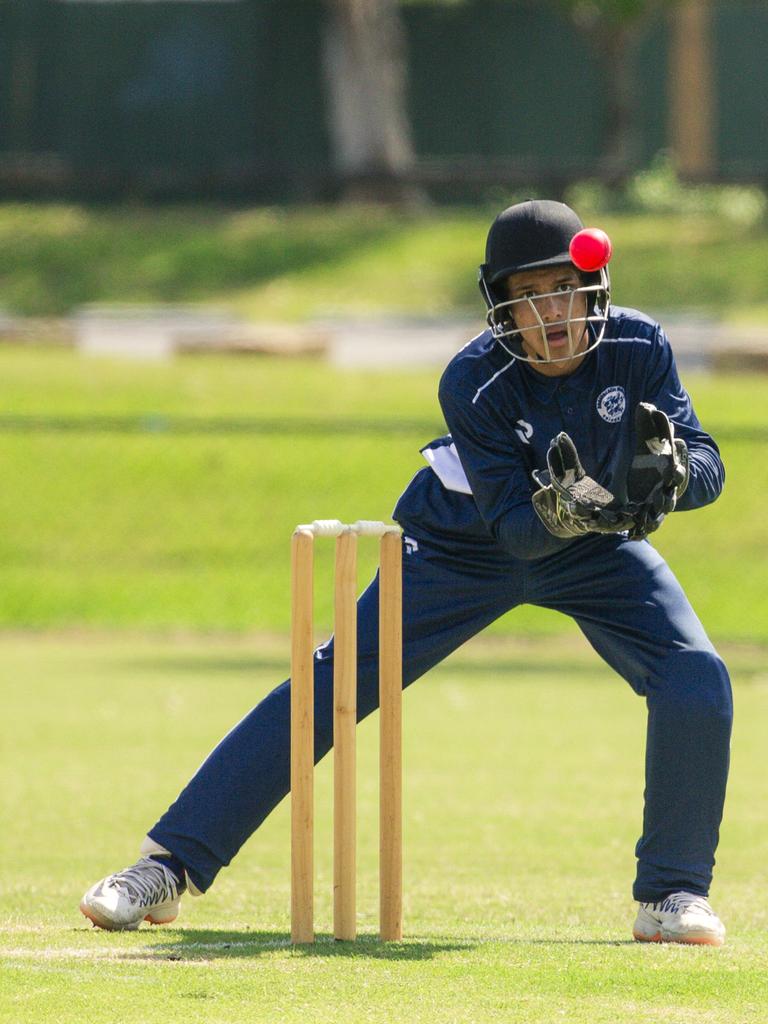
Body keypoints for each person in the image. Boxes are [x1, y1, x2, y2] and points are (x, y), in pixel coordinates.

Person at [80, 199, 732, 945]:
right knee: (328, 683)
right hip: (464, 544)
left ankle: (672, 892)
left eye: (563, 289)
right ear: (502, 309)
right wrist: (565, 510)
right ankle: (165, 867)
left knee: (696, 677)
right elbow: (518, 532)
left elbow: (707, 459)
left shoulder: (639, 345)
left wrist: (676, 478)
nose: (551, 313)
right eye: (528, 297)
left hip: (597, 550)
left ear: (593, 287)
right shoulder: (474, 382)